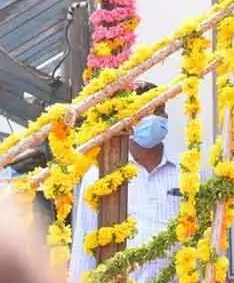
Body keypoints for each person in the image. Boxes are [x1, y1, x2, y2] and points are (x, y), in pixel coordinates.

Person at [69, 82, 180, 283]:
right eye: (148, 111)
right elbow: (83, 249)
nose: (158, 118)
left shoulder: (188, 172)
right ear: (127, 120)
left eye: (161, 110)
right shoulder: (99, 176)